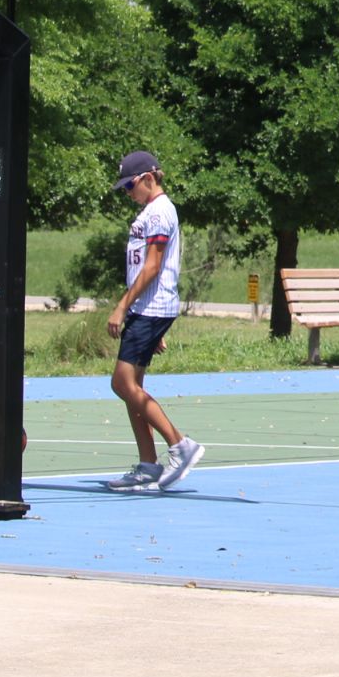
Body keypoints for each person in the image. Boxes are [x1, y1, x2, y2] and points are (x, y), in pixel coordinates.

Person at [104, 150, 206, 492]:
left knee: (122, 384)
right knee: (132, 389)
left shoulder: (161, 212)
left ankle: (181, 446)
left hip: (150, 307)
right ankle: (148, 466)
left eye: (130, 185)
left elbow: (152, 266)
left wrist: (122, 307)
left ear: (149, 177)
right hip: (146, 311)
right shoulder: (149, 212)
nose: (127, 193)